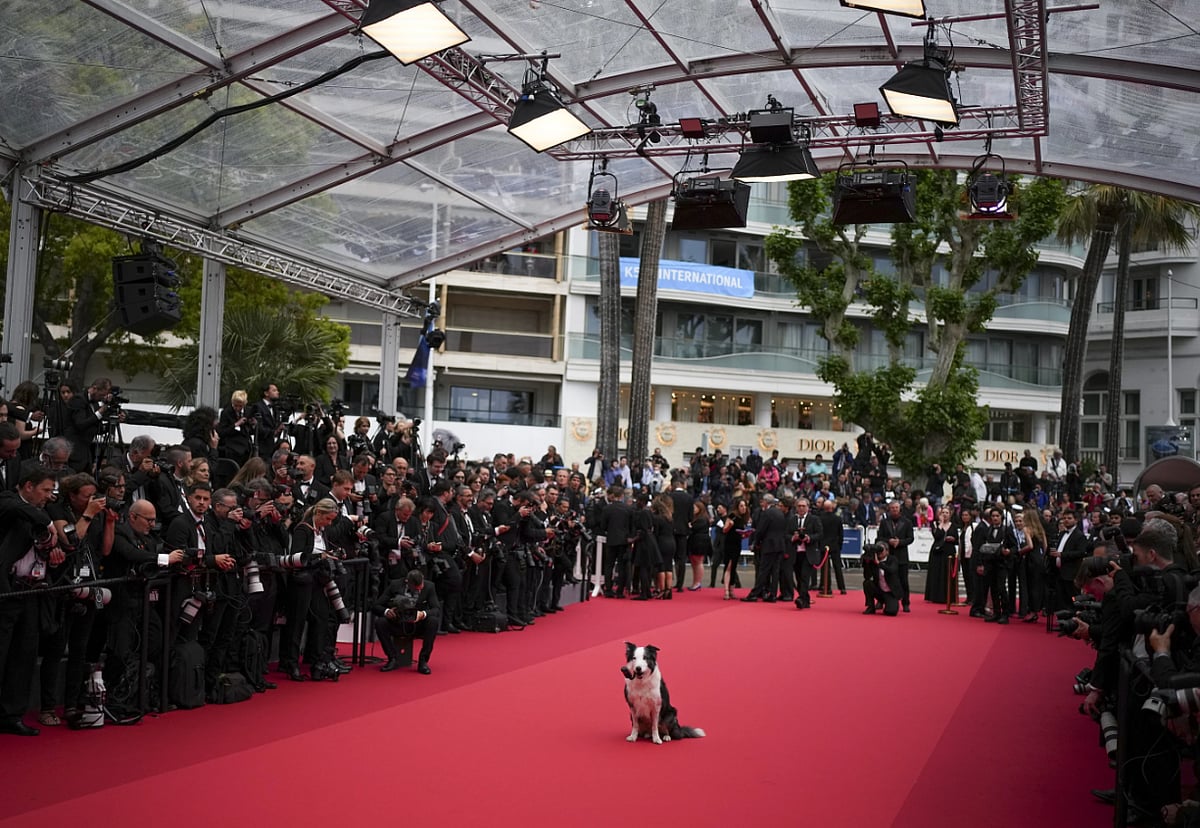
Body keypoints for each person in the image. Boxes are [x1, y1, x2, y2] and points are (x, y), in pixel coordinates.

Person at [373, 569, 439, 674]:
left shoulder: (429, 586)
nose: (419, 588)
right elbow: (376, 606)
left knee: (433, 621)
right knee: (380, 622)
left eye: (421, 586)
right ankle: (392, 658)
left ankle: (423, 661)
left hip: (417, 624)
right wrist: (387, 611)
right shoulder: (395, 585)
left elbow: (436, 609)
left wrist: (423, 614)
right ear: (407, 582)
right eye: (416, 587)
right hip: (398, 622)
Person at [876, 499, 915, 613]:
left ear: (900, 509)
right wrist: (889, 541)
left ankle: (906, 603)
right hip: (887, 556)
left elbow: (910, 538)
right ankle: (881, 601)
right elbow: (879, 538)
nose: (894, 510)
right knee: (883, 579)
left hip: (901, 556)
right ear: (889, 509)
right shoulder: (884, 522)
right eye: (892, 508)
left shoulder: (907, 522)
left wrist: (900, 542)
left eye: (896, 508)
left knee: (904, 581)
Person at [924, 505, 958, 604]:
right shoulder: (935, 524)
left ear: (950, 514)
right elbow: (937, 535)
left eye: (947, 513)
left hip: (949, 552)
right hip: (937, 552)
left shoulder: (953, 525)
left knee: (947, 573)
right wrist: (941, 523)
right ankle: (934, 596)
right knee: (936, 573)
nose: (945, 514)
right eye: (943, 512)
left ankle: (948, 596)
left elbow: (957, 540)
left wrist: (953, 539)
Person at [861, 542, 901, 616]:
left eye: (881, 550)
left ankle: (887, 604)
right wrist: (867, 563)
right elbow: (867, 576)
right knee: (867, 583)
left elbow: (892, 570)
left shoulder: (892, 559)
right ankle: (871, 607)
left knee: (891, 612)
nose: (879, 552)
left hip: (890, 592)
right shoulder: (873, 561)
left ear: (887, 551)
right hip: (879, 590)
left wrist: (879, 564)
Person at [217, 389, 254, 467]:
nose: (237, 408)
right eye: (235, 405)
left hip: (246, 446)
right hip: (232, 447)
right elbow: (222, 432)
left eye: (240, 406)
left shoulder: (248, 411)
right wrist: (236, 424)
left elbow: (251, 429)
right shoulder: (226, 412)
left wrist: (252, 424)